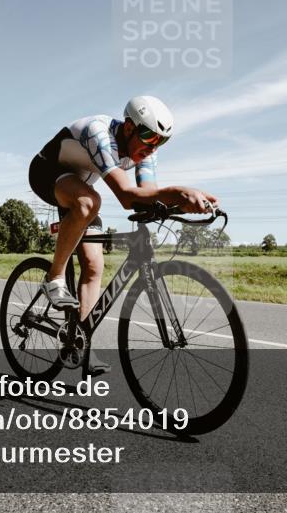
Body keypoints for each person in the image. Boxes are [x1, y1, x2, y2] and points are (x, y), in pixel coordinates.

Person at [28, 96, 217, 375]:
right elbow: (127, 197)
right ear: (129, 127)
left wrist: (185, 203)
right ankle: (54, 277)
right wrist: (178, 191)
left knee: (93, 265)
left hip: (79, 183)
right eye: (149, 137)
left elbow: (146, 196)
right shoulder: (99, 133)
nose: (153, 147)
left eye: (160, 142)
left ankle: (80, 344)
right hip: (47, 172)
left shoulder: (146, 150)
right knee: (88, 203)